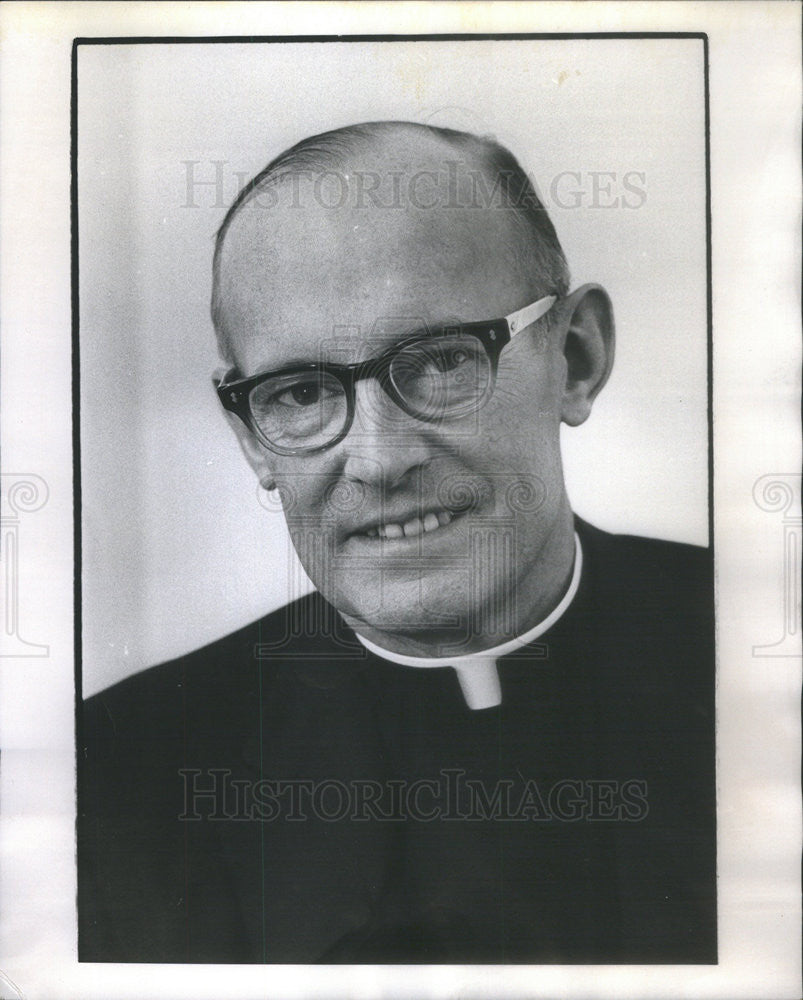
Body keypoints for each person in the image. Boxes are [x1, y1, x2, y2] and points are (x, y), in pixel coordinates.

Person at [78, 121, 716, 964]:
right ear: (252, 441)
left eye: (441, 363)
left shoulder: (757, 654)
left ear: (574, 357)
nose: (378, 460)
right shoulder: (115, 771)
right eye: (299, 391)